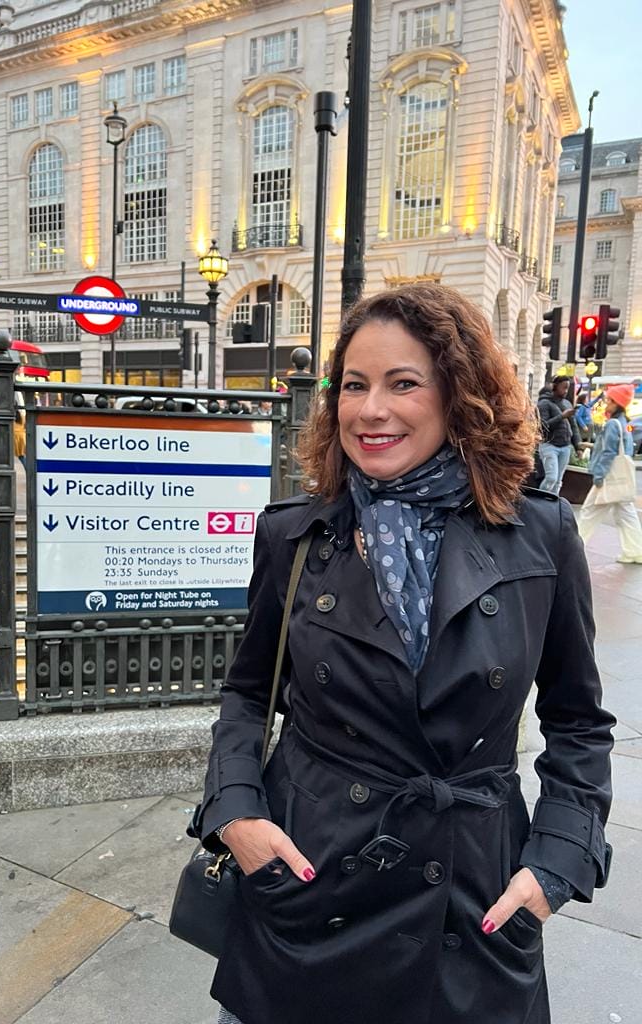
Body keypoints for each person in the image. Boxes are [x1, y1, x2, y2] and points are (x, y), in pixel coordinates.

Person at [191, 284, 614, 1024]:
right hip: (312, 879)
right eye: (353, 385)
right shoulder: (296, 535)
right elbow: (248, 693)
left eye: (403, 383)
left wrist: (558, 862)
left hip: (471, 895)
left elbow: (579, 721)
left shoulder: (539, 536)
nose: (369, 409)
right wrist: (235, 814)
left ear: (459, 396)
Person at [578, 383, 642, 564]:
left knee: (589, 512)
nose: (606, 403)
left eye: (609, 400)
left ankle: (574, 547)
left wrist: (598, 475)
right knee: (626, 516)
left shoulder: (613, 424)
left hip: (607, 478)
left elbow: (608, 453)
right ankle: (635, 551)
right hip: (620, 480)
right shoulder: (623, 423)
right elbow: (626, 451)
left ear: (617, 403)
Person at [536, 375, 582, 494]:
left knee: (558, 481)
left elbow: (573, 426)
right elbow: (542, 426)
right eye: (563, 388)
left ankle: (552, 506)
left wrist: (578, 447)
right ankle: (541, 502)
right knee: (551, 478)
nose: (566, 391)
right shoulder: (544, 403)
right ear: (555, 387)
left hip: (565, 446)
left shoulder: (567, 404)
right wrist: (562, 416)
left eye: (567, 388)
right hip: (549, 445)